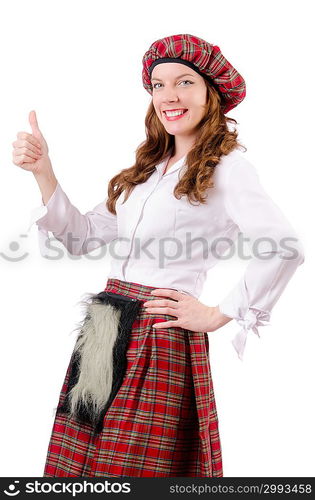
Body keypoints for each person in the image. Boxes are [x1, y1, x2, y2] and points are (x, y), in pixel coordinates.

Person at [12, 34, 304, 478]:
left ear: (212, 94)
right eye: (158, 85)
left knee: (134, 471)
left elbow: (284, 245)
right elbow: (82, 236)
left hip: (159, 330)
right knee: (81, 470)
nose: (169, 96)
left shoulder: (228, 168)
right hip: (105, 329)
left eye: (184, 82)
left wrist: (219, 312)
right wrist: (44, 173)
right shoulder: (146, 171)